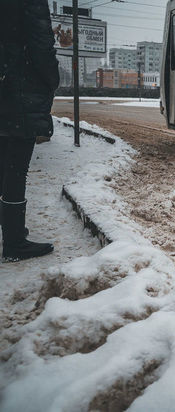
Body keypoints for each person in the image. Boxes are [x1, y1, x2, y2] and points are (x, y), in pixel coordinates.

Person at [0, 0, 59, 261]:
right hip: (19, 89)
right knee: (15, 169)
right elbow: (41, 46)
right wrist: (52, 80)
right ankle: (14, 242)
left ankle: (13, 235)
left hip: (6, 84)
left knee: (4, 165)